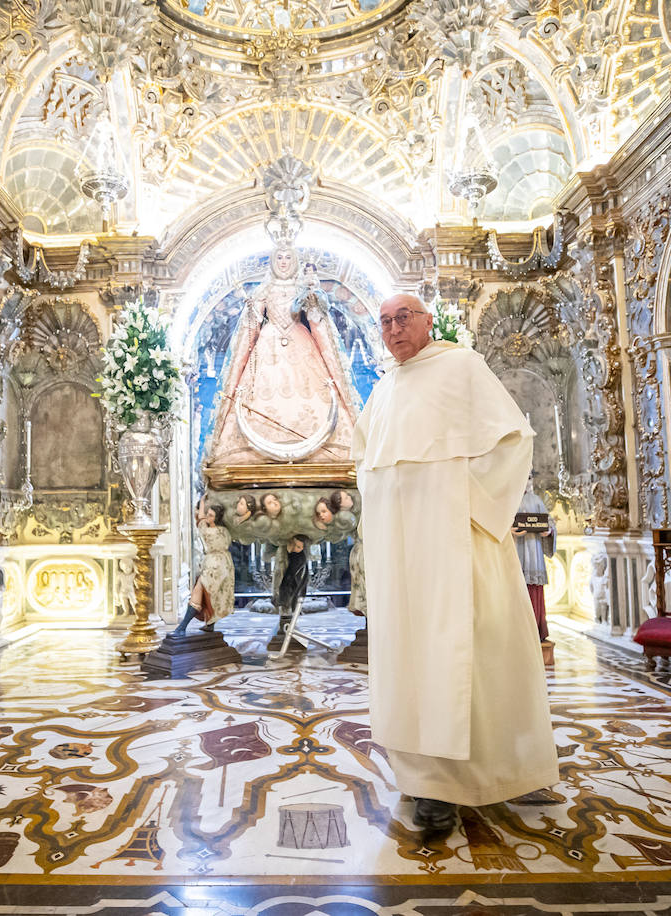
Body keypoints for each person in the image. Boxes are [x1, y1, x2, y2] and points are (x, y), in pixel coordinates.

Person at [353, 293, 558, 831]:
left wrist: (468, 505)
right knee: (410, 658)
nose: (394, 329)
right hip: (401, 556)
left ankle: (490, 770)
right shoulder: (383, 389)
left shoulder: (461, 366)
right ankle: (422, 778)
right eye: (385, 322)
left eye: (404, 318)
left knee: (471, 650)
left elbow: (513, 440)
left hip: (458, 543)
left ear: (426, 323)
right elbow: (365, 464)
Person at [207, 243, 360, 468]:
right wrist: (251, 313)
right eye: (279, 257)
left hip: (300, 340)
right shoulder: (264, 290)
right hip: (268, 345)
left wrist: (313, 298)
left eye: (288, 257)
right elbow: (251, 327)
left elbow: (317, 320)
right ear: (273, 261)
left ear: (295, 261)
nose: (284, 262)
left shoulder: (303, 287)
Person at [170, 502, 235, 638]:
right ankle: (209, 625)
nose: (207, 517)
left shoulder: (210, 531)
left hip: (214, 566)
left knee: (200, 591)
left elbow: (200, 519)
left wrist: (203, 500)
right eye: (208, 514)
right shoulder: (225, 531)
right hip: (224, 564)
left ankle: (183, 626)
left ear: (216, 518)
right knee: (211, 596)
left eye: (210, 515)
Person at [512, 472, 556, 642]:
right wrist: (509, 531)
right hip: (516, 550)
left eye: (529, 477)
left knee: (533, 590)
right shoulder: (508, 499)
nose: (527, 481)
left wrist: (549, 532)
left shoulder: (536, 500)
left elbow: (549, 523)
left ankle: (536, 631)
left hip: (534, 551)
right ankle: (517, 635)